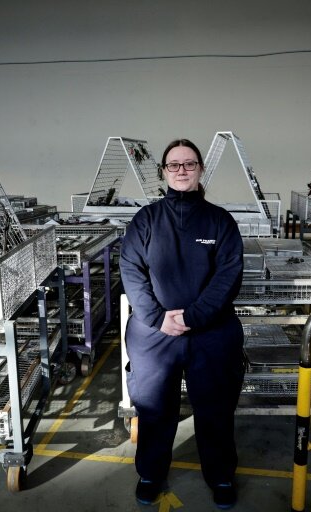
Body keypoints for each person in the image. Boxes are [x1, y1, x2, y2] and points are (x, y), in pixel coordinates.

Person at [120, 138, 245, 509]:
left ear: (200, 170)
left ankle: (220, 475)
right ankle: (151, 473)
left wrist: (192, 317)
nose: (181, 171)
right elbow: (131, 270)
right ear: (163, 171)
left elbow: (228, 276)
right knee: (155, 408)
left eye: (188, 164)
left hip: (211, 332)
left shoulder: (220, 221)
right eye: (173, 165)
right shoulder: (145, 219)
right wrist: (158, 318)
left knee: (215, 408)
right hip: (155, 333)